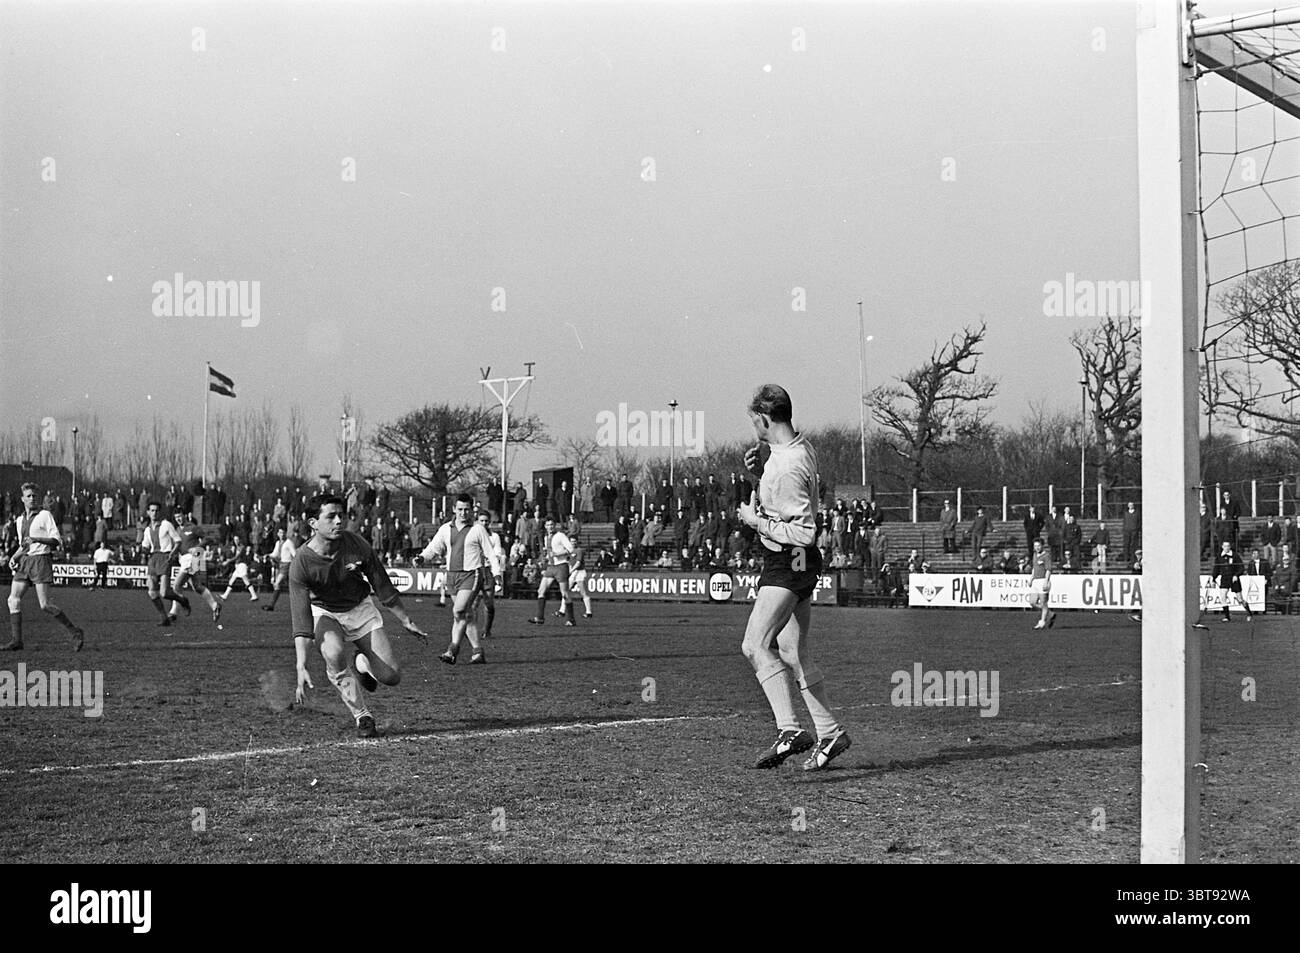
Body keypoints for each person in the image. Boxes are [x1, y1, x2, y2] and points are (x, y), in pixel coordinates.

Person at [738, 384, 850, 773]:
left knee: (755, 645)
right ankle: (829, 731)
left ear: (766, 418)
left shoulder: (786, 464)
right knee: (792, 653)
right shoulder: (794, 448)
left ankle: (789, 729)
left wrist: (756, 521)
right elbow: (785, 499)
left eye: (755, 421)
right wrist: (759, 473)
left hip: (789, 559)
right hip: (797, 562)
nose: (753, 428)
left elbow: (804, 532)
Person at [291, 493, 430, 738]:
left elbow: (383, 585)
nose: (338, 521)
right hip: (325, 611)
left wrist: (406, 620)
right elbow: (301, 619)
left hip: (360, 609)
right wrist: (301, 664)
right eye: (331, 516)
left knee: (391, 676)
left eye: (340, 516)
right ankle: (362, 715)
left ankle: (362, 663)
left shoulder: (357, 544)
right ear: (313, 523)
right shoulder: (301, 562)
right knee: (333, 653)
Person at [416, 494, 502, 664]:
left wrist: (497, 572)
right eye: (460, 509)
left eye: (467, 510)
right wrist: (422, 558)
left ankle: (452, 649)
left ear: (472, 510)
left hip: (471, 575)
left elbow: (491, 554)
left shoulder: (477, 529)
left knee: (458, 611)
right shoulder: (445, 529)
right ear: (454, 509)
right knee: (466, 615)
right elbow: (433, 548)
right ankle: (478, 651)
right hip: (452, 576)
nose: (463, 513)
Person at [3, 483, 85, 651]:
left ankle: (75, 631)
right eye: (29, 496)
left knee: (45, 604)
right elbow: (24, 544)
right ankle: (17, 641)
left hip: (41, 560)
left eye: (34, 495)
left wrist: (38, 540)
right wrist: (14, 556)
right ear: (22, 499)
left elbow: (56, 541)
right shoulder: (19, 520)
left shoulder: (45, 515)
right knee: (13, 599)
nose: (32, 498)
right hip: (25, 561)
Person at [139, 500, 192, 627]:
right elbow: (145, 546)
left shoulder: (166, 525)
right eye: (152, 510)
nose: (154, 513)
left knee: (164, 593)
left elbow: (178, 541)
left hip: (164, 558)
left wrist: (172, 553)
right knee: (151, 592)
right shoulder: (147, 530)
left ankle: (182, 600)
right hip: (153, 559)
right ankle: (164, 618)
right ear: (148, 512)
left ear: (160, 512)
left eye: (157, 511)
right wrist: (142, 551)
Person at [528, 517, 577, 626]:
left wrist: (557, 554)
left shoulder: (560, 535)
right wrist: (545, 559)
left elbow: (570, 549)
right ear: (545, 526)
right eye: (548, 525)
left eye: (551, 525)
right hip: (551, 567)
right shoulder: (546, 537)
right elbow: (549, 553)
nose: (550, 527)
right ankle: (540, 618)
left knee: (564, 593)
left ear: (555, 525)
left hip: (561, 566)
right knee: (541, 590)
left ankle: (571, 619)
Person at [171, 533, 221, 624]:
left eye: (179, 517)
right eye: (176, 517)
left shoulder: (193, 528)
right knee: (197, 586)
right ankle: (215, 605)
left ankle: (174, 612)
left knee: (176, 586)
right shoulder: (177, 530)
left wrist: (197, 548)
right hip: (185, 559)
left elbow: (206, 538)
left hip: (191, 559)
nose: (178, 519)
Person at [1212, 540, 1253, 622]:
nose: (1226, 548)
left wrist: (1236, 575)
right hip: (1224, 579)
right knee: (1223, 596)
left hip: (1234, 579)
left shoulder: (1235, 556)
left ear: (1230, 547)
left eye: (1228, 546)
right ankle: (1227, 617)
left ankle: (1249, 613)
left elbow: (1241, 568)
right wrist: (1213, 578)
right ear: (1222, 547)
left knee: (1240, 599)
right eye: (1225, 546)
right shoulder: (1219, 556)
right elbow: (1216, 568)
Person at [261, 528, 299, 612]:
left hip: (287, 564)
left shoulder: (289, 542)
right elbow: (275, 554)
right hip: (281, 564)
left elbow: (294, 554)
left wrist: (295, 564)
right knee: (280, 585)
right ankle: (271, 605)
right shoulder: (278, 543)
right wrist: (268, 555)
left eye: (283, 532)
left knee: (277, 583)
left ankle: (271, 605)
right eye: (280, 532)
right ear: (278, 534)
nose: (282, 534)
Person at [1029, 539, 1056, 630]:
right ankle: (1051, 614)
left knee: (1043, 602)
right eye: (1035, 546)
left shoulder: (1046, 556)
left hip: (1043, 580)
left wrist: (1046, 581)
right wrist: (1031, 578)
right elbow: (1034, 567)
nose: (1037, 548)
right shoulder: (1035, 555)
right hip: (1036, 581)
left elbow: (1048, 569)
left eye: (1038, 546)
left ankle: (1042, 622)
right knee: (1032, 602)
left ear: (1042, 546)